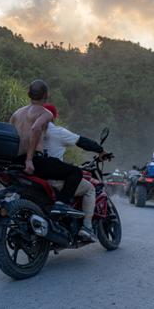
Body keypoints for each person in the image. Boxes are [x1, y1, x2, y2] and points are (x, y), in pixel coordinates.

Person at [9, 80, 83, 216]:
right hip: (33, 161)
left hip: (15, 161)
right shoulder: (45, 113)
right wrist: (29, 159)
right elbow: (36, 127)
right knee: (75, 172)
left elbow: (9, 134)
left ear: (28, 94)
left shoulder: (16, 114)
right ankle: (61, 204)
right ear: (46, 95)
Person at [42, 103, 107, 242]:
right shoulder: (57, 132)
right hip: (54, 178)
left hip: (36, 174)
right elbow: (81, 141)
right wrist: (100, 150)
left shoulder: (33, 130)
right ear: (53, 117)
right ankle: (87, 228)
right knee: (89, 189)